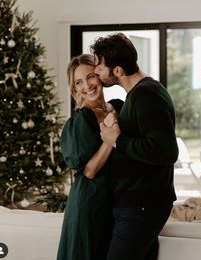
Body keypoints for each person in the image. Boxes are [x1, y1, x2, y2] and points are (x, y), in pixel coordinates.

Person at [90, 33, 179, 260]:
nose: (96, 71)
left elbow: (166, 150)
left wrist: (117, 141)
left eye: (100, 66)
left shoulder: (146, 95)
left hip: (142, 206)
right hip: (140, 204)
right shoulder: (140, 94)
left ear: (117, 71)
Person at [56, 54, 123, 260]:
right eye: (79, 82)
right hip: (89, 205)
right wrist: (109, 138)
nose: (87, 85)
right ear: (74, 89)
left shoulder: (117, 107)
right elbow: (90, 170)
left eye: (91, 76)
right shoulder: (81, 119)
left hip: (115, 202)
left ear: (100, 76)